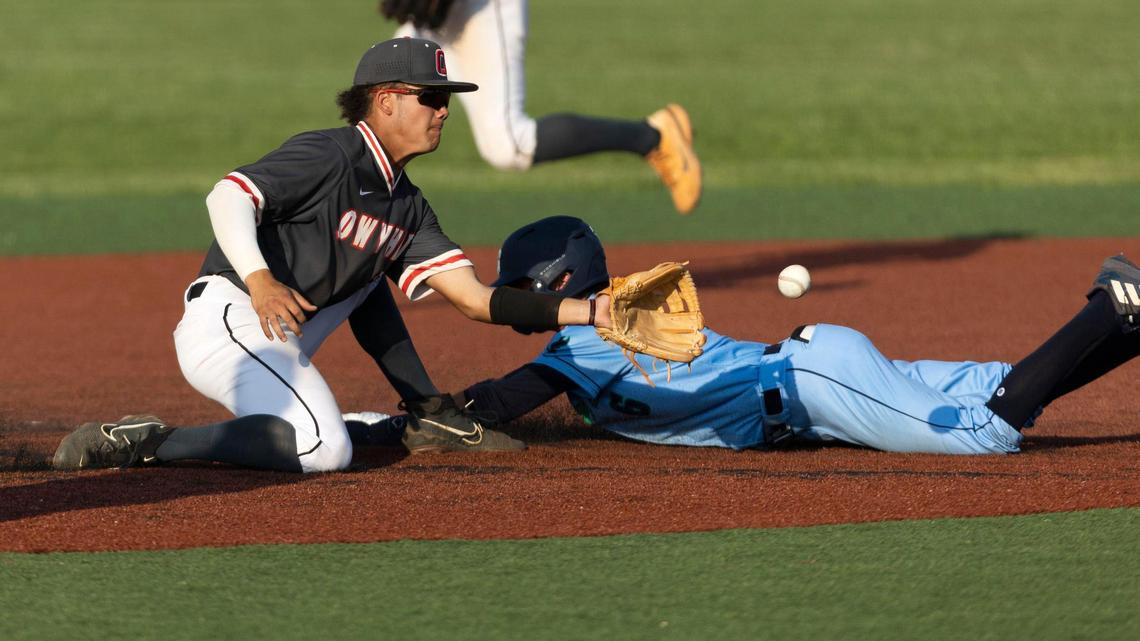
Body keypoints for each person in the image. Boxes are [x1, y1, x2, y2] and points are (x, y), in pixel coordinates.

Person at [50, 40, 614, 474]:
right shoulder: (329, 154)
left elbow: (475, 300)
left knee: (370, 270)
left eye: (446, 101)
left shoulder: (409, 208)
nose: (444, 112)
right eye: (433, 98)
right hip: (227, 320)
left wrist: (592, 315)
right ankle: (149, 442)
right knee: (323, 448)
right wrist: (261, 279)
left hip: (280, 336)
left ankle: (428, 413)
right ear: (386, 99)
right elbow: (227, 195)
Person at [352, 216, 1140, 455]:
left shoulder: (575, 350)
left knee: (985, 433)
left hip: (810, 384)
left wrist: (403, 420)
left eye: (526, 290)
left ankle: (1110, 306)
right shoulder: (627, 308)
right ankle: (1133, 323)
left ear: (559, 285)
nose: (521, 305)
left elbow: (498, 401)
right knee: (997, 382)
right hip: (817, 365)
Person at [378, 0, 702, 214]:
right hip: (432, 17)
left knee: (508, 145)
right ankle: (352, 221)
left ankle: (653, 136)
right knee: (384, 90)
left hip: (481, 9)